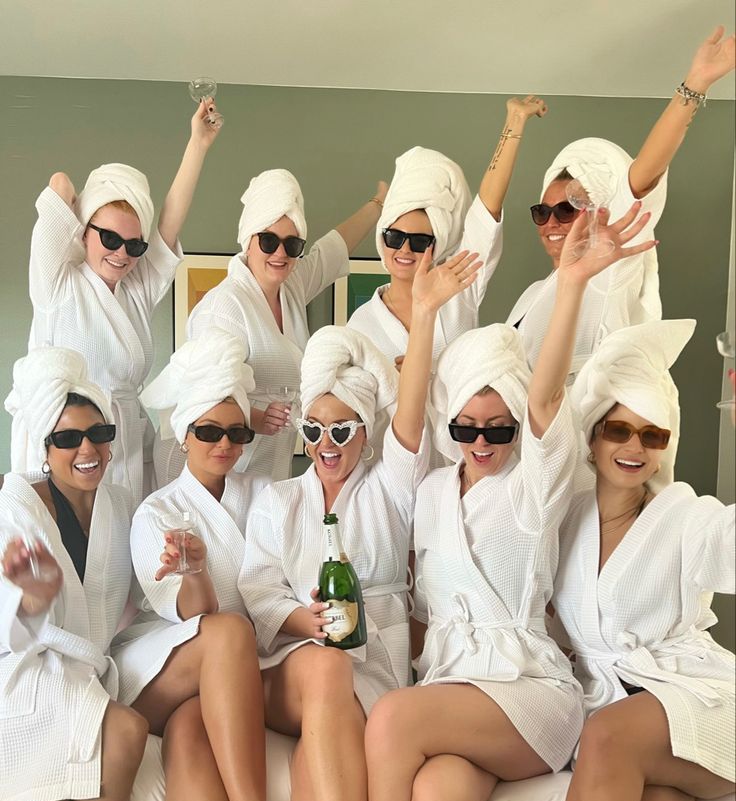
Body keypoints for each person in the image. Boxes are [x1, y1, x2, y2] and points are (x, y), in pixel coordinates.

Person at [363, 202, 657, 801]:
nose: (485, 443)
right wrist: (422, 320)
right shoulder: (428, 494)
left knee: (393, 720)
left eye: (499, 429)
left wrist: (570, 288)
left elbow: (547, 400)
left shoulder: (536, 484)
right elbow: (409, 426)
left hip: (529, 692)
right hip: (460, 690)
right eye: (468, 429)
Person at [239, 247, 481, 801]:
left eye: (343, 431)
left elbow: (411, 411)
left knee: (323, 759)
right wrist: (298, 621)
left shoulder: (391, 489)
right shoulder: (276, 500)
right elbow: (254, 590)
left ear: (367, 432)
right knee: (320, 671)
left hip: (366, 681)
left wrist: (428, 311)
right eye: (314, 432)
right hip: (290, 668)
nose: (326, 447)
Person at [112, 328, 304, 801]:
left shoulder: (265, 499)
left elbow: (284, 584)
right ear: (183, 434)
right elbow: (192, 617)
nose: (224, 443)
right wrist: (193, 569)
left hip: (223, 688)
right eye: (209, 430)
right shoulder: (156, 512)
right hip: (168, 666)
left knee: (195, 736)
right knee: (225, 633)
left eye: (237, 433)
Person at [552, 320, 735, 801]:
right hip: (633, 718)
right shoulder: (565, 521)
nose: (634, 447)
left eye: (652, 435)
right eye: (619, 429)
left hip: (699, 700)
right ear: (594, 434)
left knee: (604, 738)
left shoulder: (683, 515)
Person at [0, 347, 148, 801]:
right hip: (24, 670)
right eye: (67, 438)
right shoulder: (17, 502)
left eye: (99, 433)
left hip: (80, 673)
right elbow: (14, 626)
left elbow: (135, 599)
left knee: (121, 733)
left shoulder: (117, 506)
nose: (87, 449)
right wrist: (31, 599)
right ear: (43, 444)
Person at [17, 98, 222, 504]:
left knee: (129, 557)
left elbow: (169, 222)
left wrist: (197, 144)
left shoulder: (136, 290)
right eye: (109, 238)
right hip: (68, 448)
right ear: (83, 230)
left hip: (127, 447)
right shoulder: (56, 284)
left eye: (134, 243)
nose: (122, 254)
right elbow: (60, 184)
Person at [509, 26, 736, 380]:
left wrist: (695, 85)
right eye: (542, 212)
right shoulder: (534, 294)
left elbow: (642, 177)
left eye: (566, 209)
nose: (551, 223)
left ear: (601, 214)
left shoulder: (606, 270)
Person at [151, 169, 388, 485]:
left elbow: (331, 252)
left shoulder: (289, 286)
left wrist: (378, 204)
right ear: (248, 240)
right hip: (219, 459)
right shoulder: (224, 307)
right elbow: (204, 393)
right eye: (268, 241)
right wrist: (256, 417)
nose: (280, 253)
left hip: (267, 457)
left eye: (292, 245)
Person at [348, 98, 546, 370]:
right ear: (383, 240)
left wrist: (514, 123)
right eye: (395, 237)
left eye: (420, 242)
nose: (405, 250)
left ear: (436, 245)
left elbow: (486, 210)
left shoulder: (457, 287)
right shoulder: (361, 322)